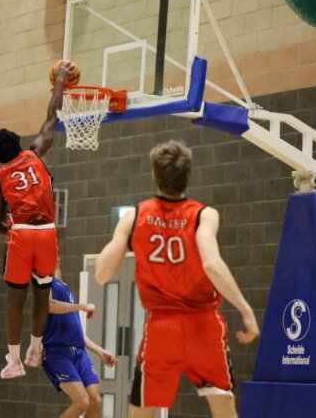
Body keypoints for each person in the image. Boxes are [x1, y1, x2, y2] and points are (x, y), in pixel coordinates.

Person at [95, 140, 260, 418]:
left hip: (161, 329)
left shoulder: (135, 216)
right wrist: (246, 310)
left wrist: (127, 237)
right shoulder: (203, 215)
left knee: (141, 412)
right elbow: (211, 263)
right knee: (224, 410)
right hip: (204, 327)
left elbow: (101, 275)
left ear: (153, 174)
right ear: (188, 174)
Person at [0, 60, 72, 378]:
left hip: (21, 234)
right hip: (48, 233)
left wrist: (9, 228)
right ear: (19, 144)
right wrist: (60, 82)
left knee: (14, 301)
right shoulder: (36, 151)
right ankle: (36, 351)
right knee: (42, 297)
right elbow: (52, 116)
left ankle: (14, 361)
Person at [43, 263, 118, 418]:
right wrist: (83, 307)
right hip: (58, 351)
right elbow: (49, 305)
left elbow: (77, 333)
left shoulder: (62, 286)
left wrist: (100, 351)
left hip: (77, 350)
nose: (57, 252)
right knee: (82, 403)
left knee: (95, 400)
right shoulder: (44, 277)